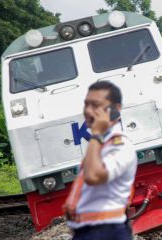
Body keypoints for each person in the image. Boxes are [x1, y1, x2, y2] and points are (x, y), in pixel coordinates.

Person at [63, 81, 137, 240]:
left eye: (95, 105)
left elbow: (94, 177)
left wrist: (96, 134)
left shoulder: (121, 145)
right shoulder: (103, 144)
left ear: (115, 109)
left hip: (107, 231)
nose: (88, 111)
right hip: (92, 231)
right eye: (86, 105)